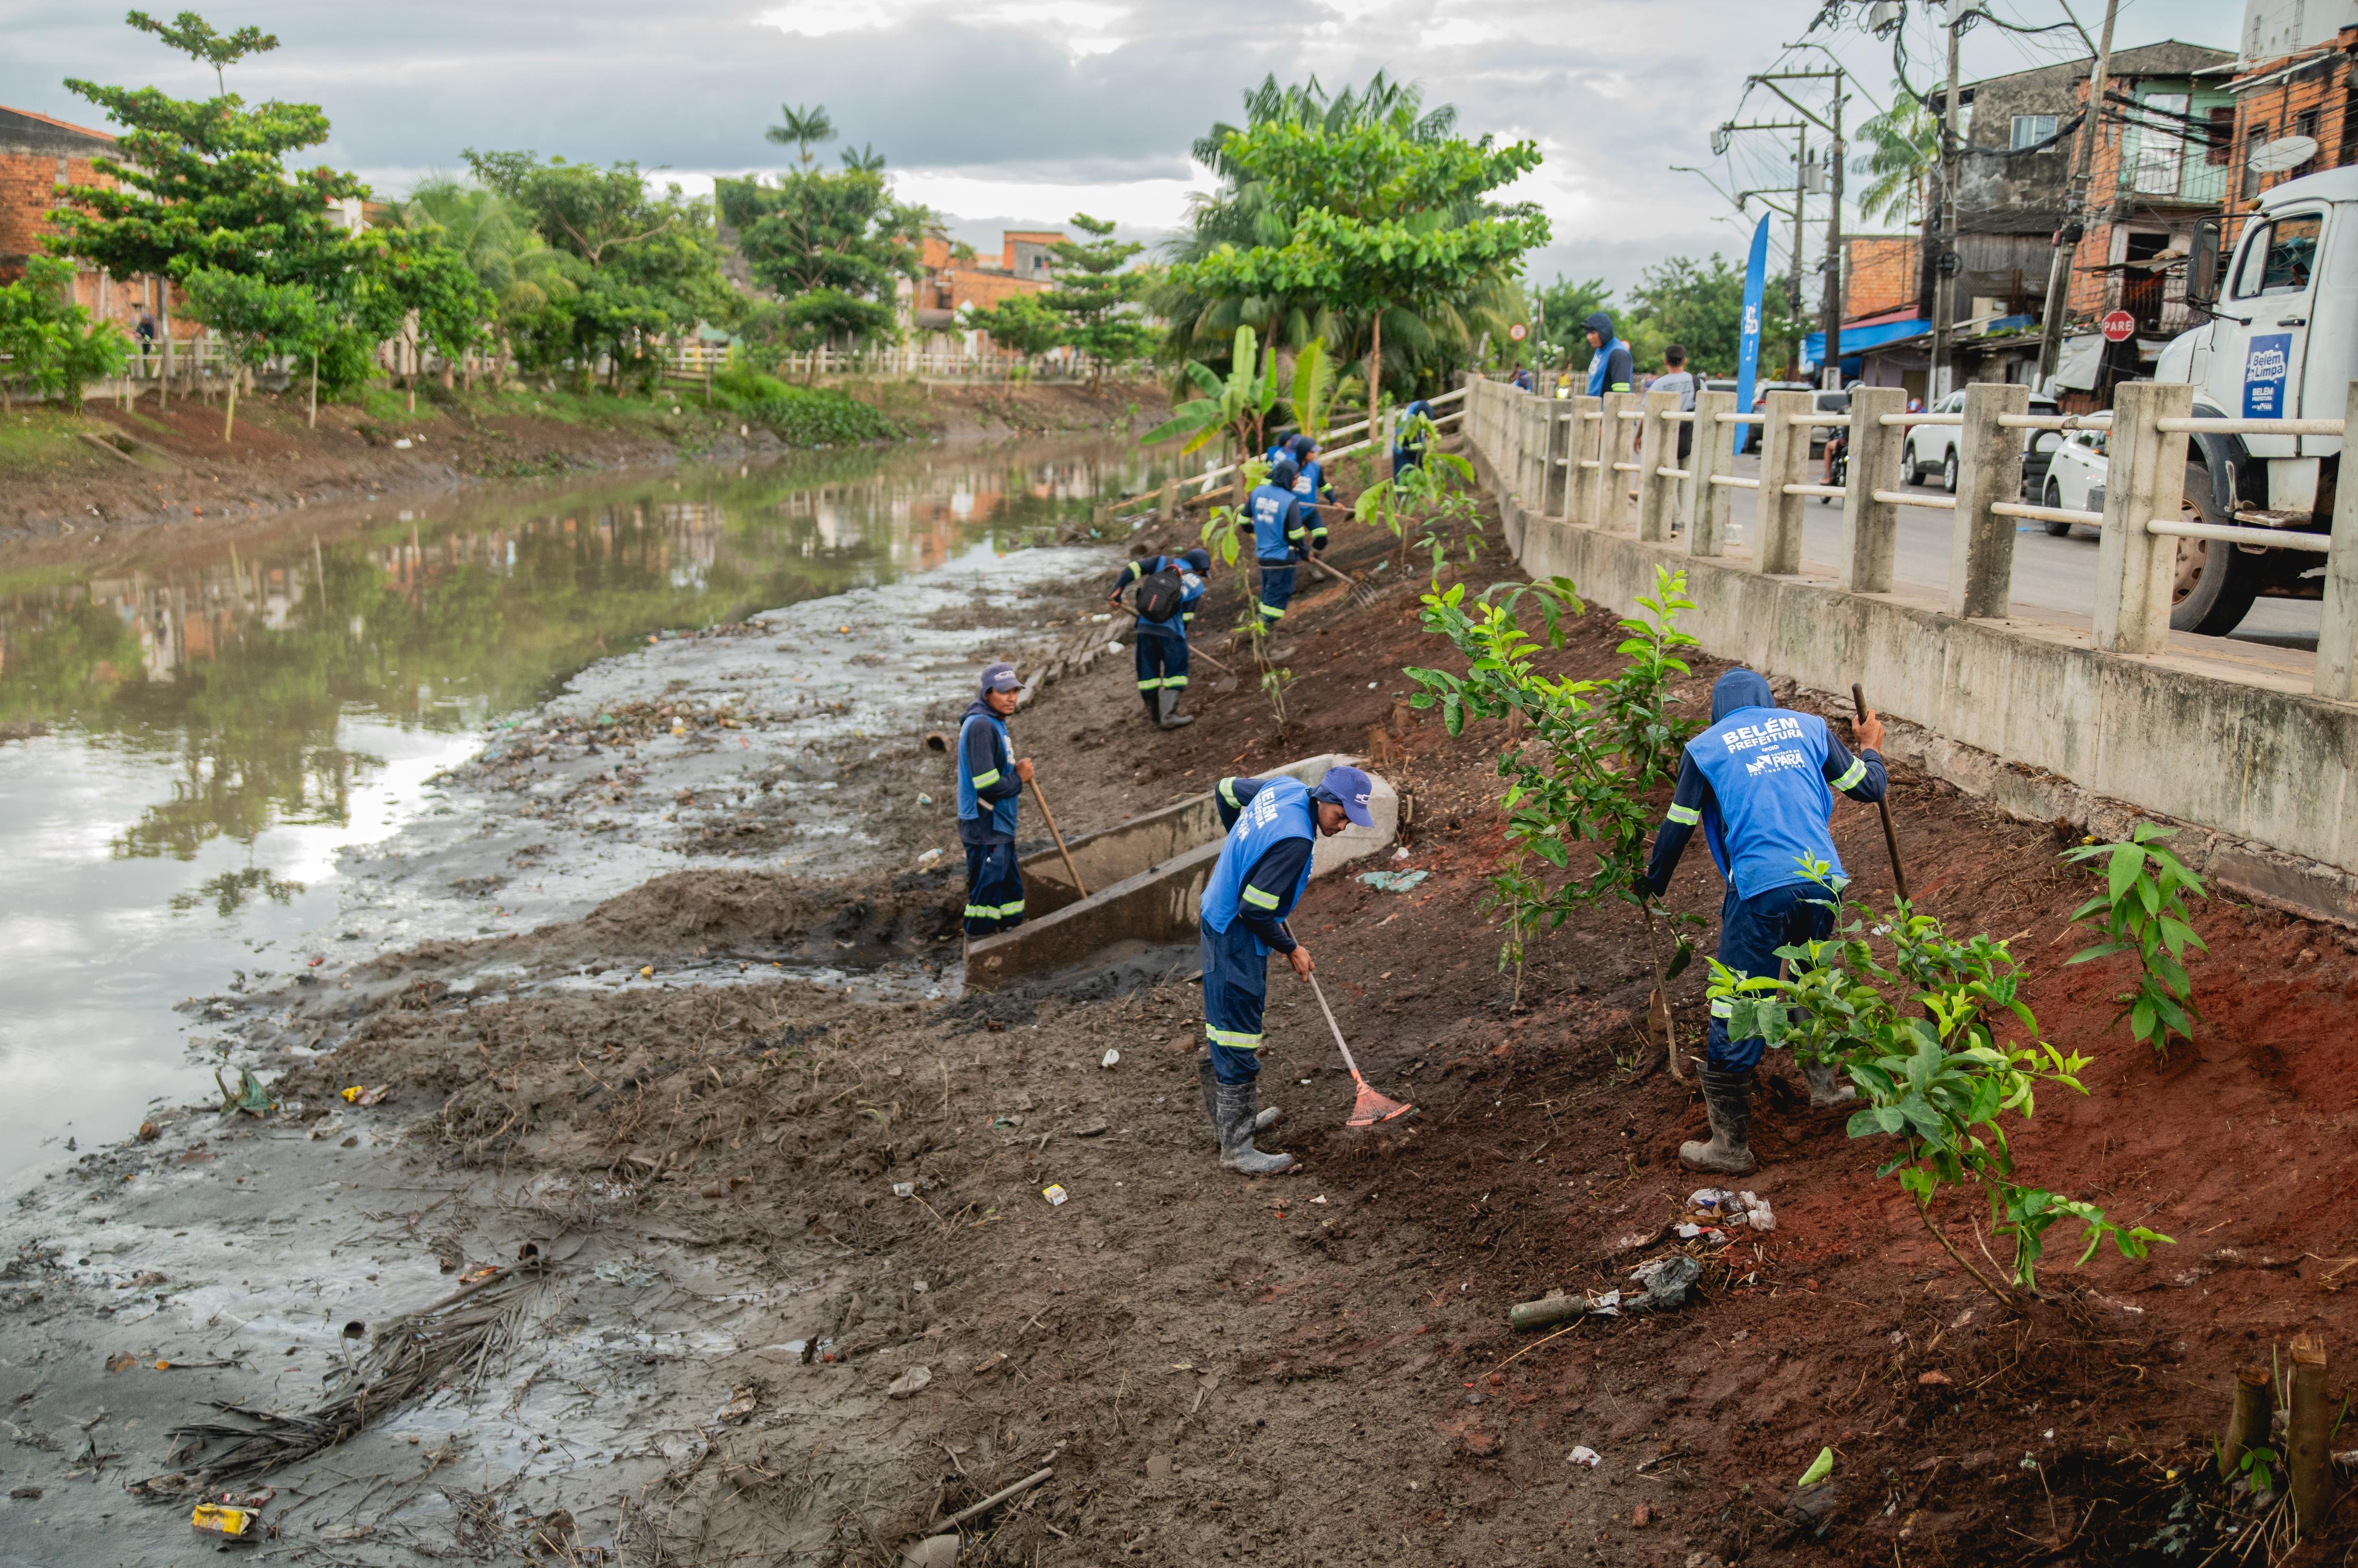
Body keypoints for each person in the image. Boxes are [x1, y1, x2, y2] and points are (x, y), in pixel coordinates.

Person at [1642, 668, 1889, 1175]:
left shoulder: (1705, 747)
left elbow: (1677, 828)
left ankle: (1730, 1146)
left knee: (1740, 998)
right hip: (1822, 880)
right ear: (1768, 701)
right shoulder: (1810, 728)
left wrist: (1651, 884)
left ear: (1716, 710)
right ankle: (1825, 1087)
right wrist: (1872, 745)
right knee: (1811, 980)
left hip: (1760, 886)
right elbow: (1872, 788)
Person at [1198, 765, 1378, 1174]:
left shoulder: (1287, 788)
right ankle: (1237, 1149)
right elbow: (1255, 910)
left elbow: (1225, 789)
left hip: (1217, 909)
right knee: (1236, 1032)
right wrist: (1292, 947)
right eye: (1342, 814)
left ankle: (1232, 1123)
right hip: (1234, 932)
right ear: (1325, 798)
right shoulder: (1295, 841)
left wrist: (1245, 850)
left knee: (1226, 1025)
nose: (1345, 824)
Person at [957, 663, 1034, 939]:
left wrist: (1013, 774)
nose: (1012, 697)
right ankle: (979, 940)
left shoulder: (994, 722)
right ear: (988, 693)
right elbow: (986, 784)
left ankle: (1010, 933)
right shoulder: (980, 726)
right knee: (987, 890)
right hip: (984, 824)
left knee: (1009, 886)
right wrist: (1020, 779)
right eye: (1004, 692)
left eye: (1015, 691)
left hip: (999, 823)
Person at [1108, 547, 1209, 729]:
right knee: (1176, 672)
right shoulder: (1197, 584)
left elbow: (1133, 568)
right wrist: (1181, 637)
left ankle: (1155, 717)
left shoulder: (1163, 561)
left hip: (1145, 628)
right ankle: (1168, 715)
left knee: (1148, 673)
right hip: (1172, 632)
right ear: (1200, 569)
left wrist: (1118, 590)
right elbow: (1186, 617)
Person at [1248, 454, 1313, 629]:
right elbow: (1296, 535)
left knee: (1268, 598)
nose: (1297, 483)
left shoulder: (1258, 493)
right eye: (1296, 478)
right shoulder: (1289, 501)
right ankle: (1256, 637)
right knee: (1276, 603)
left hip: (1263, 557)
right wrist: (1305, 553)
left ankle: (1266, 642)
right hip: (1282, 558)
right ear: (1287, 478)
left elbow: (1243, 520)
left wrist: (1260, 532)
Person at [1284, 434, 1336, 551]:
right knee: (1295, 543)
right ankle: (1302, 557)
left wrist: (1334, 500)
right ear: (1305, 453)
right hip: (1292, 513)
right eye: (1312, 452)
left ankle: (1313, 556)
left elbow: (1323, 485)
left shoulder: (1316, 467)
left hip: (1310, 511)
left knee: (1322, 537)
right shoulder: (1288, 466)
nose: (1315, 455)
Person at [1583, 312, 1635, 398]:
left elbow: (1621, 395)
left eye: (1593, 332)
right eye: (1588, 333)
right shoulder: (1600, 349)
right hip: (1594, 407)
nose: (1589, 337)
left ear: (1604, 331)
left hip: (1607, 410)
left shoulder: (1618, 354)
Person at [1392, 397, 1434, 473]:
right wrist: (1424, 465)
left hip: (1406, 447)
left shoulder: (1421, 406)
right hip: (1402, 450)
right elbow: (1414, 451)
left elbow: (1427, 433)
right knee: (1404, 477)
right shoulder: (1411, 425)